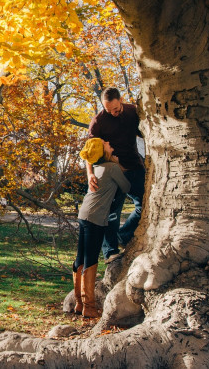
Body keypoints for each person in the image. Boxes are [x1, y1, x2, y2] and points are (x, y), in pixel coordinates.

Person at [73, 138, 130, 317]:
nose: (108, 142)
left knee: (80, 258)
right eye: (105, 143)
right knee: (90, 260)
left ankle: (79, 304)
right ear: (102, 150)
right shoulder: (111, 168)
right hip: (96, 218)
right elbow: (126, 187)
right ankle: (89, 307)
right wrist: (118, 165)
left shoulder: (97, 168)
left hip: (84, 214)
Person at [87, 87, 145, 262]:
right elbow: (89, 152)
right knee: (111, 214)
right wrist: (90, 175)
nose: (113, 113)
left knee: (144, 206)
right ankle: (110, 252)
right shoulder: (98, 122)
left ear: (121, 100)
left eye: (116, 109)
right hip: (112, 171)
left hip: (134, 167)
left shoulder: (133, 112)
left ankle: (122, 236)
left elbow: (146, 133)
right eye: (108, 110)